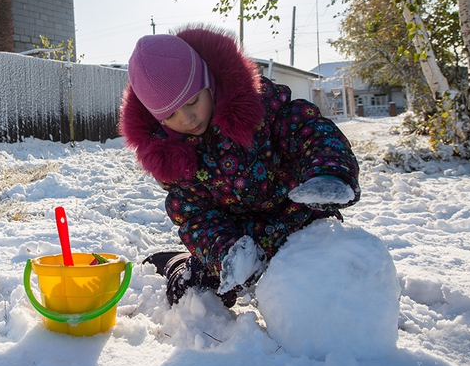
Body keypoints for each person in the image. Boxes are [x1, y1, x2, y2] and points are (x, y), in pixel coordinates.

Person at [119, 25, 361, 307]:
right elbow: (195, 217)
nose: (186, 119)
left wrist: (329, 171)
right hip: (241, 244)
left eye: (193, 101)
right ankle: (177, 264)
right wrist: (226, 254)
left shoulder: (263, 109)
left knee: (328, 287)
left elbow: (308, 130)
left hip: (301, 225)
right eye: (170, 115)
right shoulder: (176, 157)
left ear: (208, 81)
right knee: (192, 294)